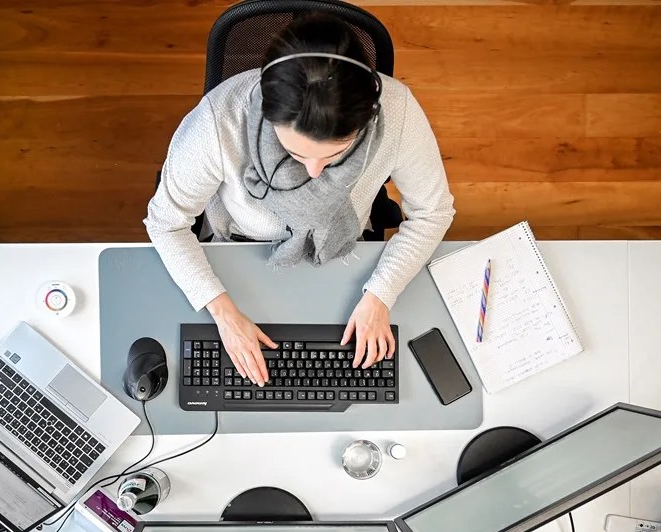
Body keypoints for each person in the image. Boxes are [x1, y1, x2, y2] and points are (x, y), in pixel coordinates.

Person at [145, 13, 454, 388]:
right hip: (240, 250)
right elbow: (166, 222)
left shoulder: (398, 110)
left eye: (336, 155)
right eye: (295, 154)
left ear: (369, 117)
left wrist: (381, 294)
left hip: (346, 251)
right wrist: (223, 313)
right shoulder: (218, 121)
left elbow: (433, 213)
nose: (314, 174)